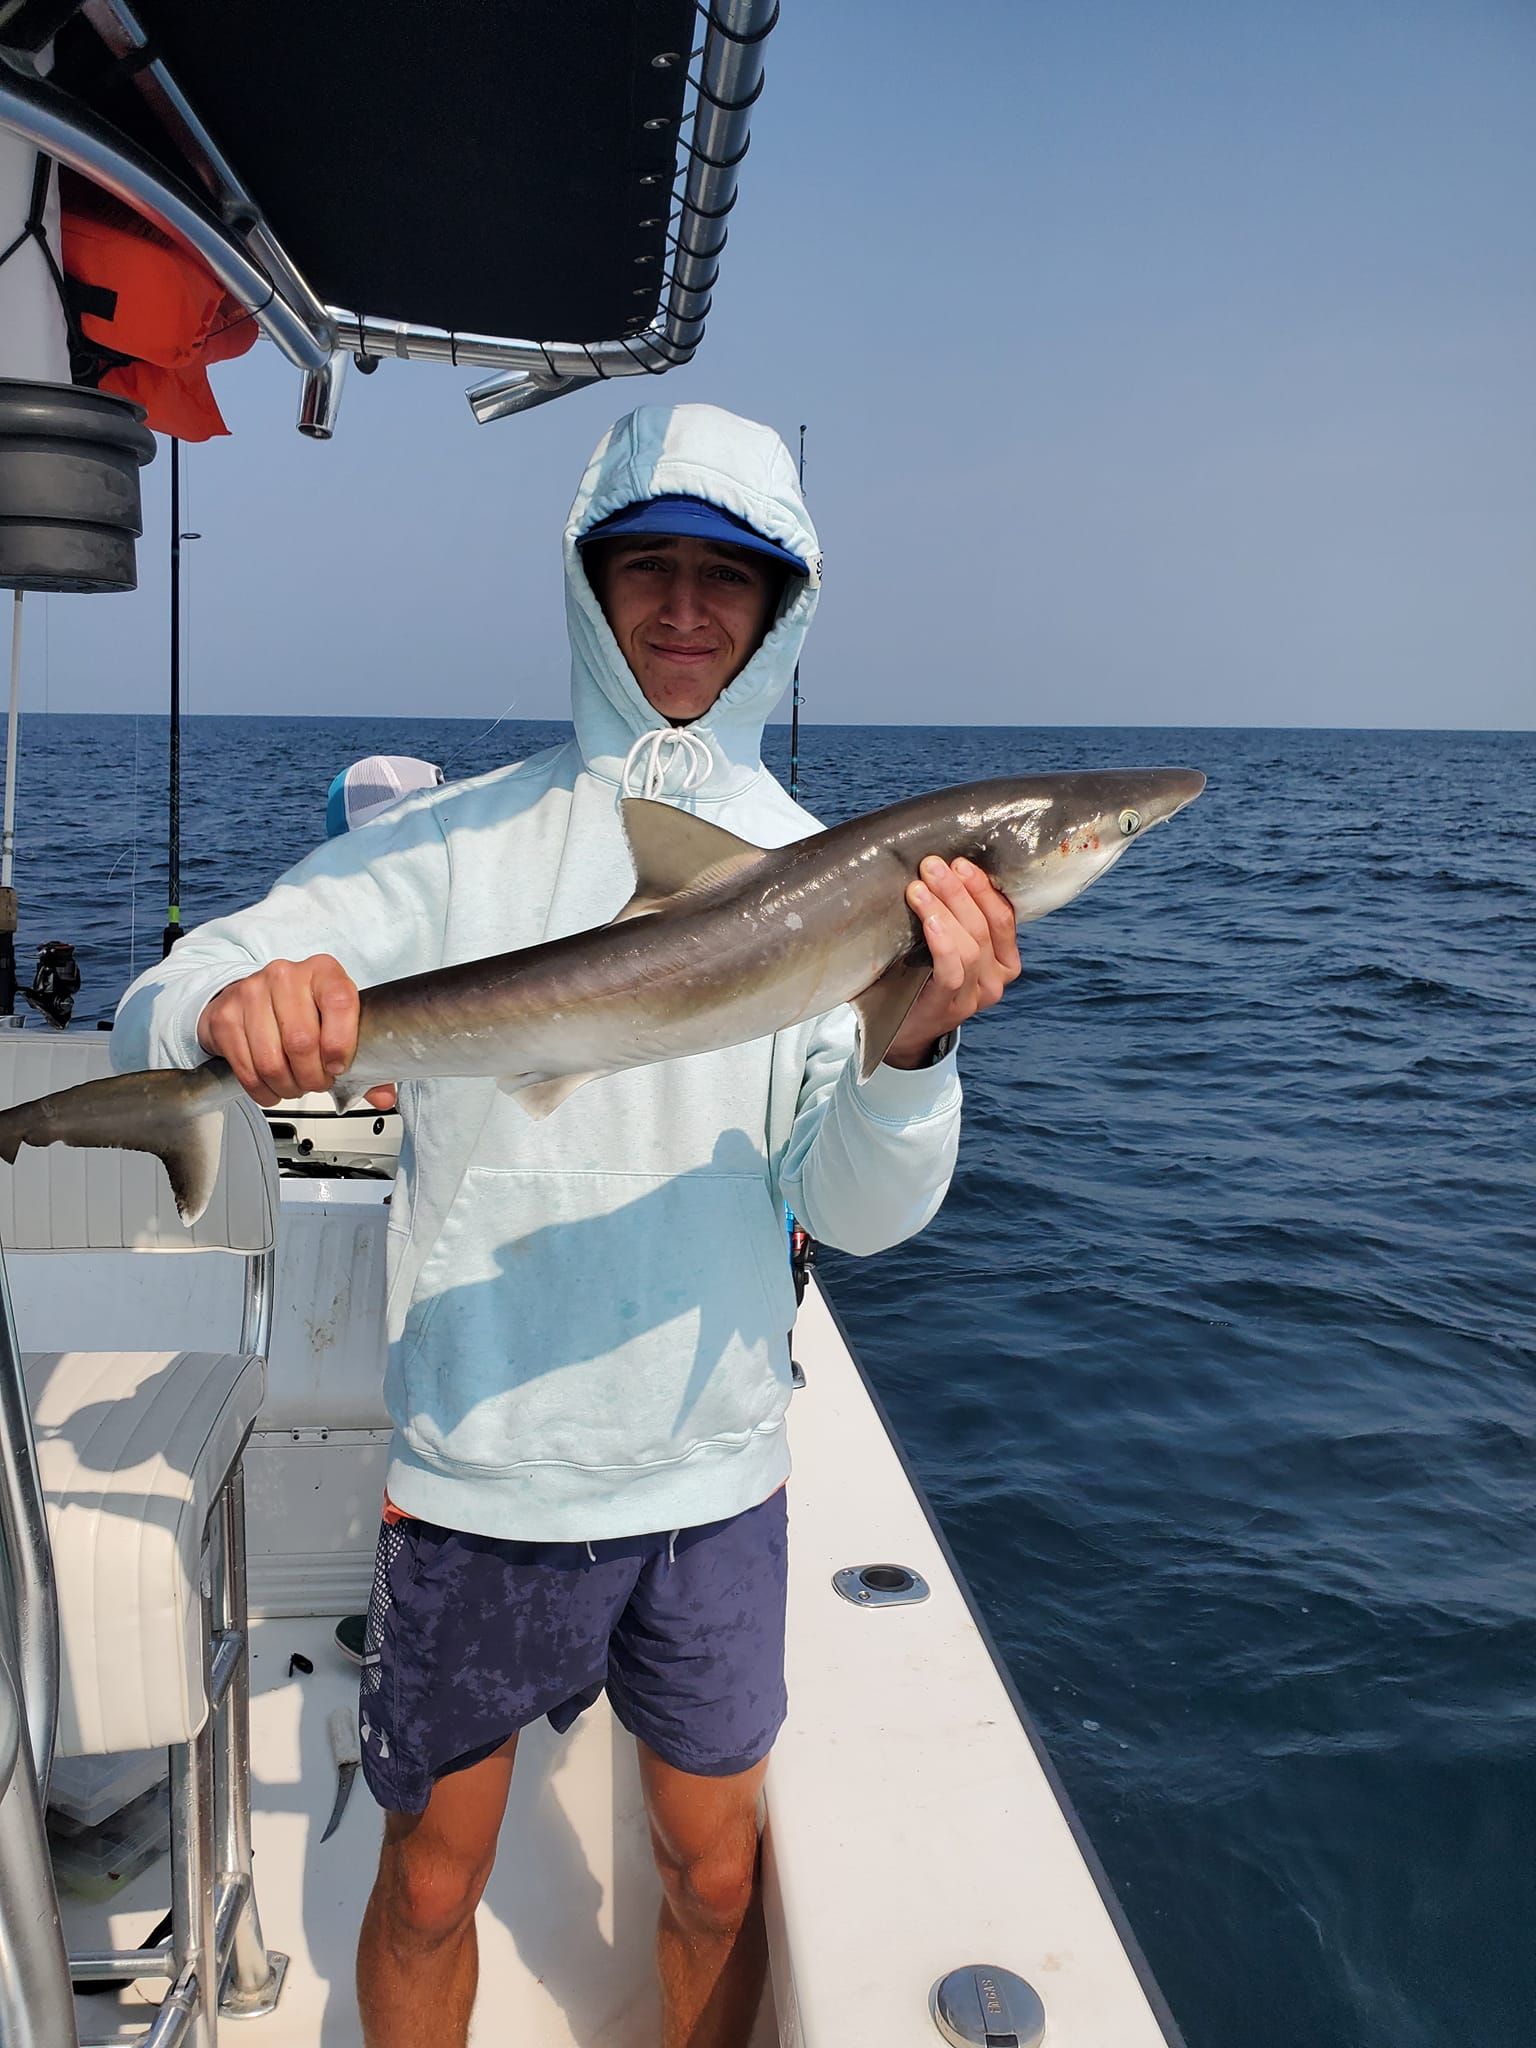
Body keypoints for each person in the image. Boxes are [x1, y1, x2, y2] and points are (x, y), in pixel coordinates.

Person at [112, 402, 1022, 2048]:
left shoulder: (838, 884)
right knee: (432, 1882)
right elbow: (169, 990)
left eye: (727, 578)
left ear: (780, 607)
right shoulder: (453, 848)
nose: (685, 609)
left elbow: (855, 1214)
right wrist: (221, 1017)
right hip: (482, 1463)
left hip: (713, 1471)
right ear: (591, 590)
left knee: (717, 1877)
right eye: (649, 569)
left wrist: (917, 1043)